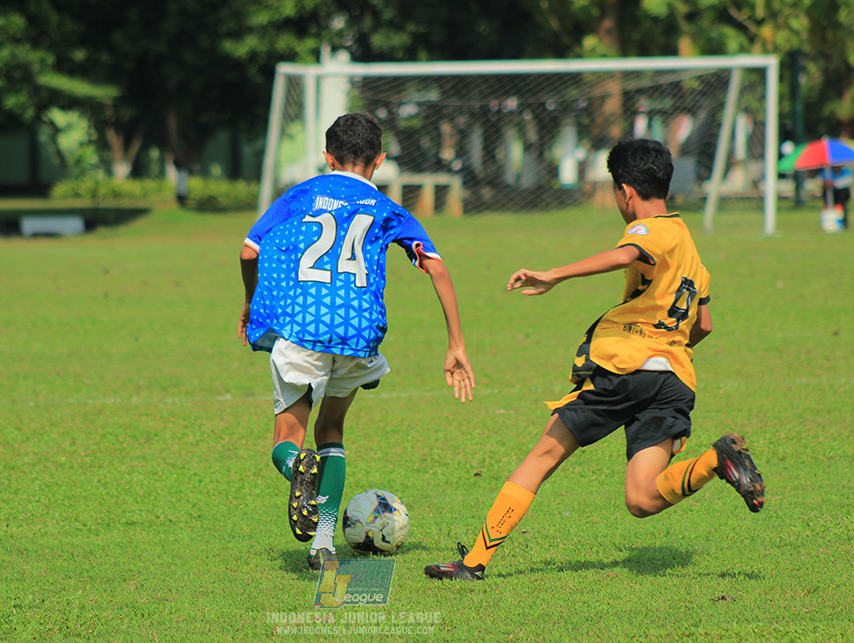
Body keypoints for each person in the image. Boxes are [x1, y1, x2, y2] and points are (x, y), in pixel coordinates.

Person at [424, 138, 765, 581]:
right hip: (674, 379)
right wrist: (664, 351)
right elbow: (704, 325)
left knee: (542, 456)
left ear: (625, 191)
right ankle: (715, 462)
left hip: (626, 367)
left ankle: (473, 563)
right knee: (642, 498)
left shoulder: (650, 230)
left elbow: (627, 253)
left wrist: (555, 274)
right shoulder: (691, 252)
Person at [238, 112, 476, 570]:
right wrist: (456, 344)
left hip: (304, 326)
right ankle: (323, 544)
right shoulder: (388, 209)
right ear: (380, 160)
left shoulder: (299, 195)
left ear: (326, 157)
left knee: (288, 439)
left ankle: (296, 469)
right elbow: (438, 267)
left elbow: (249, 249)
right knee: (332, 432)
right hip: (358, 330)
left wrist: (250, 301)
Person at [821, 165, 851, 230]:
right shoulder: (827, 172)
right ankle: (829, 224)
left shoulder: (846, 172)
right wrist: (826, 184)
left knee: (841, 207)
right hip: (830, 192)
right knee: (828, 207)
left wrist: (834, 184)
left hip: (842, 193)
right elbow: (821, 180)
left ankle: (843, 224)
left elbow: (846, 182)